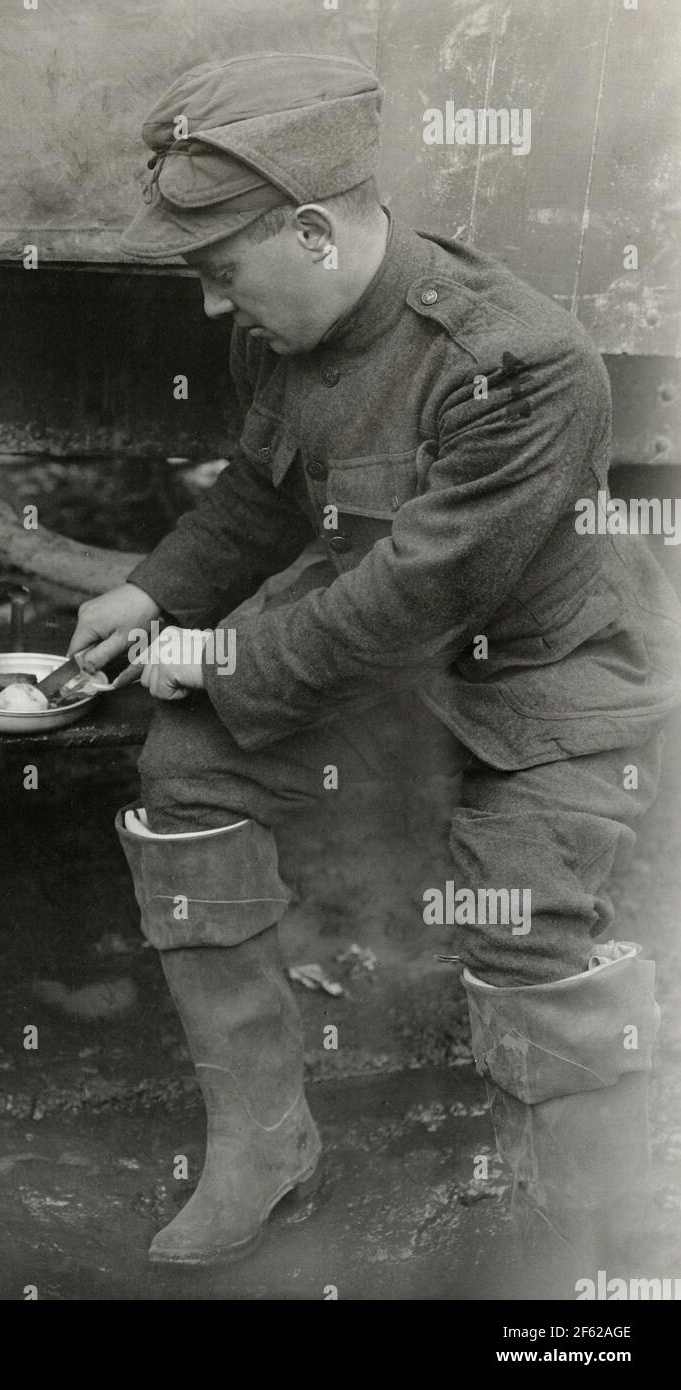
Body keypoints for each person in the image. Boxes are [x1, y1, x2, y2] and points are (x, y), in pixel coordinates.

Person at [67, 52, 681, 1285]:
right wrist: (150, 591)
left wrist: (220, 653)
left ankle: (589, 1255)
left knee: (528, 920)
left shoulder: (519, 364)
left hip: (540, 692)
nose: (208, 305)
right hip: (379, 666)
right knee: (184, 769)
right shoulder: (279, 329)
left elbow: (412, 598)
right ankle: (262, 1144)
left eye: (218, 268)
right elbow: (258, 496)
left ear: (305, 229)